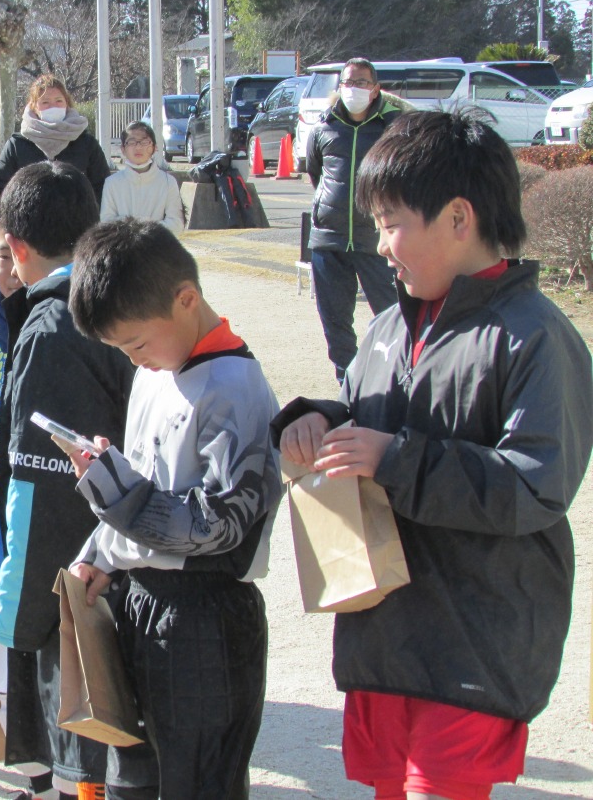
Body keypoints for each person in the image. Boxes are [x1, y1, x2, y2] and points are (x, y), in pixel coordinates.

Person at [275, 109, 593, 800]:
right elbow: (362, 413)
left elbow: (535, 488)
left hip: (476, 641)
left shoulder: (535, 336)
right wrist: (314, 421)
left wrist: (394, 459)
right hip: (384, 635)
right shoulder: (389, 326)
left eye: (390, 222)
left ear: (458, 218)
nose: (379, 244)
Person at [64, 218, 281, 798]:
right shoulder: (156, 371)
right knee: (132, 780)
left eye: (136, 344)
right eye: (121, 351)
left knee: (196, 782)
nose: (134, 360)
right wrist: (101, 554)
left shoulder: (234, 384)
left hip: (204, 617)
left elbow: (221, 524)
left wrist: (117, 495)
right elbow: (143, 475)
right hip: (140, 599)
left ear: (186, 299)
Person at [0, 161, 136, 798]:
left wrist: (19, 620)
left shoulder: (52, 330)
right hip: (128, 560)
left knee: (85, 754)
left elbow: (43, 494)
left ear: (16, 247)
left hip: (76, 588)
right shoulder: (117, 299)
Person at [305, 57, 408, 382]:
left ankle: (397, 380)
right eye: (349, 82)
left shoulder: (393, 128)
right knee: (335, 322)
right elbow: (316, 172)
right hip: (328, 239)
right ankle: (347, 385)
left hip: (376, 240)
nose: (354, 89)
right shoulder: (324, 126)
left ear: (375, 89)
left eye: (362, 82)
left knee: (394, 316)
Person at [0, 74, 111, 205]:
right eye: (45, 102)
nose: (53, 107)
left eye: (58, 101)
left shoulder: (87, 144)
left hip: (79, 217)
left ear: (67, 103)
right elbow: (0, 191)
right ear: (34, 106)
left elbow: (103, 188)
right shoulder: (16, 145)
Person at [99, 122, 184, 231]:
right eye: (131, 142)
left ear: (154, 147)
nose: (138, 147)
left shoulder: (168, 182)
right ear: (123, 149)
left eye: (144, 142)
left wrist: (144, 230)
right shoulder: (112, 183)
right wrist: (138, 228)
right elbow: (106, 222)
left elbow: (176, 223)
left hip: (158, 241)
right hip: (124, 242)